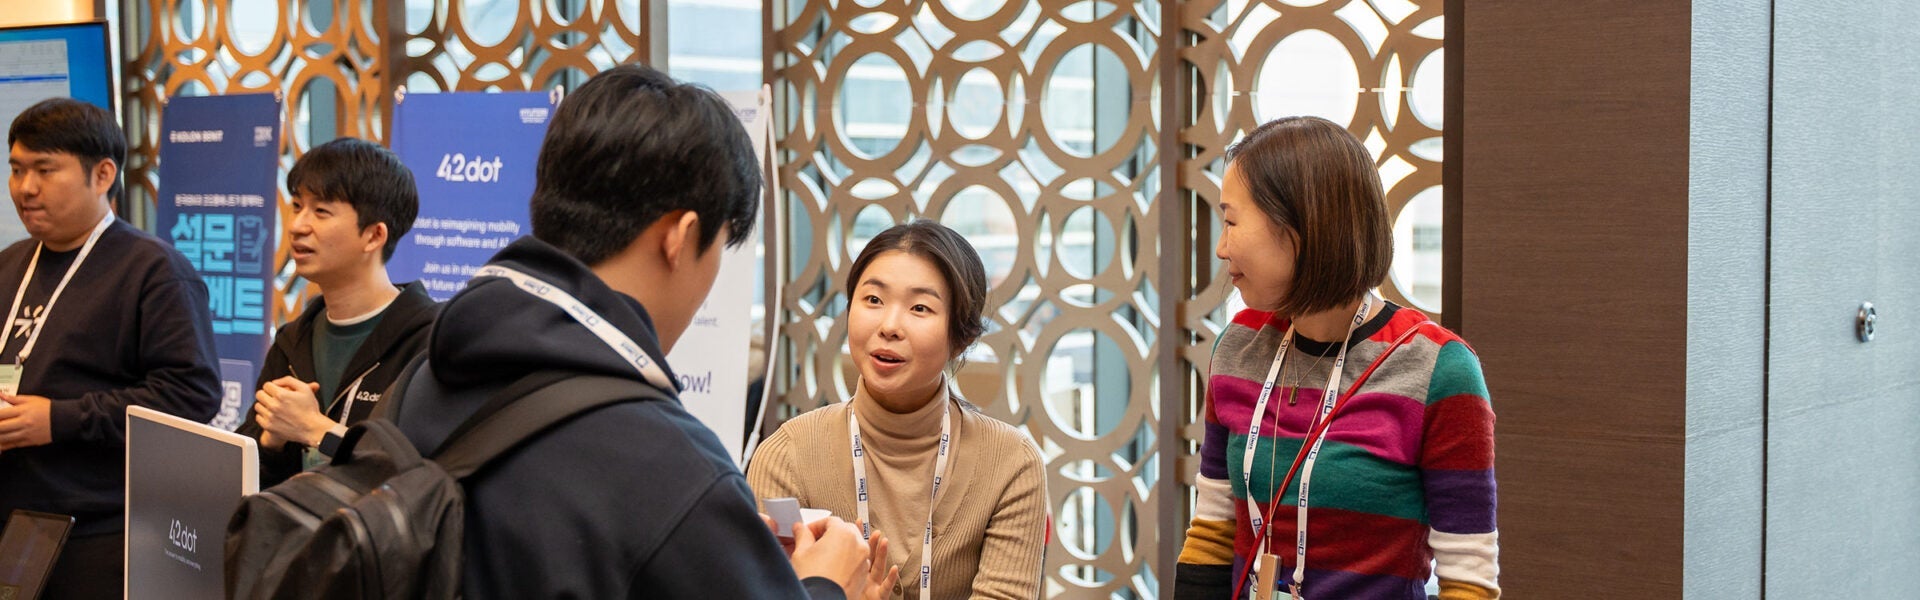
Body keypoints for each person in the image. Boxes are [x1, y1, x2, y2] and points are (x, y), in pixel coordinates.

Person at [386, 63, 883, 599]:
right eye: (721, 245)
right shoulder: (670, 466)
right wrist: (827, 587)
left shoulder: (422, 376)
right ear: (681, 235)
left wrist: (715, 545)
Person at [1174, 116, 1499, 599]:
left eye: (1231, 221)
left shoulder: (1438, 368)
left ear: (1300, 228)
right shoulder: (1238, 346)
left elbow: (1467, 576)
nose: (1221, 248)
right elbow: (1214, 527)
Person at [748, 220, 1049, 600]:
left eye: (920, 308)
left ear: (962, 338)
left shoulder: (1010, 464)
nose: (889, 326)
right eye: (873, 300)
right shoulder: (787, 456)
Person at [0, 97, 222, 598]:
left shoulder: (153, 271)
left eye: (44, 170)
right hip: (12, 522)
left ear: (102, 175)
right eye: (15, 170)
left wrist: (58, 419)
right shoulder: (10, 264)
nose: (25, 188)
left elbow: (192, 397)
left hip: (100, 532)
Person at [236, 137, 436, 487]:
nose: (298, 225)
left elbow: (427, 478)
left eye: (321, 211)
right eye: (297, 206)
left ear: (374, 236)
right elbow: (248, 471)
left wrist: (315, 429)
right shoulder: (292, 340)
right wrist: (271, 439)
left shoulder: (429, 343)